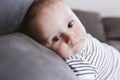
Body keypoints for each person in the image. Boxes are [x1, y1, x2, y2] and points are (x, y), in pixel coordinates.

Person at [19, 0, 120, 80]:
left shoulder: (80, 39)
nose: (70, 38)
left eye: (70, 24)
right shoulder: (77, 63)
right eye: (56, 38)